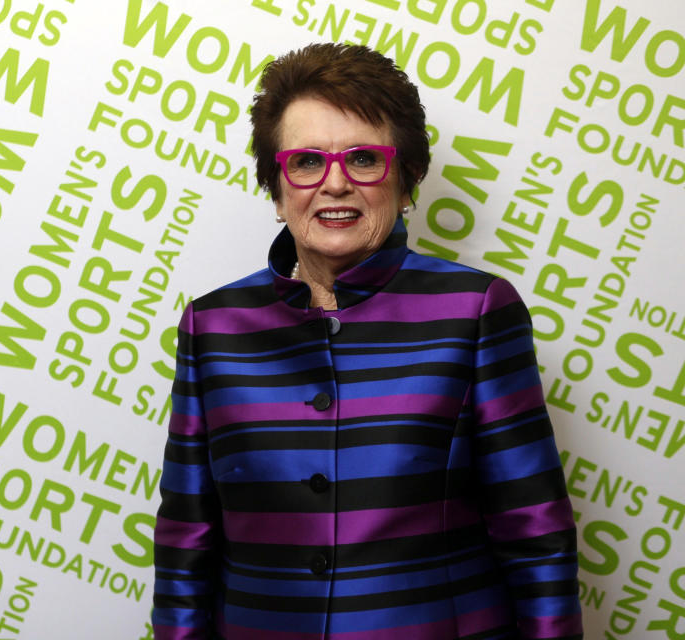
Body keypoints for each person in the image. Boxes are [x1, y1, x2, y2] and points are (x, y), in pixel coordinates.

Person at [152, 42, 582, 640]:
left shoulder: (476, 310)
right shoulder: (212, 326)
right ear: (277, 191)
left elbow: (534, 532)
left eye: (364, 159)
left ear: (405, 180)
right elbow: (185, 541)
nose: (334, 185)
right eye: (305, 162)